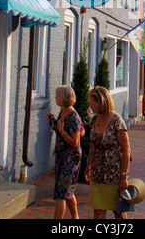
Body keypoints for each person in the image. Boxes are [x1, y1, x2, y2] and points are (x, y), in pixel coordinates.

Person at [84, 86, 131, 220]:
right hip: (97, 174)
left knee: (118, 211)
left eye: (90, 100)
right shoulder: (94, 119)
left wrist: (123, 176)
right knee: (98, 211)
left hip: (113, 175)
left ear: (99, 102)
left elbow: (126, 150)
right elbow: (93, 144)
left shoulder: (117, 122)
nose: (89, 103)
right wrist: (88, 165)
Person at [46, 86, 84, 219]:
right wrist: (54, 121)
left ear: (63, 98)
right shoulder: (63, 112)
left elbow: (75, 142)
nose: (55, 97)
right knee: (67, 190)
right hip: (62, 156)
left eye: (57, 95)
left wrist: (62, 131)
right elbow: (81, 130)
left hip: (70, 158)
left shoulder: (72, 116)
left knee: (61, 193)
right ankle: (76, 218)